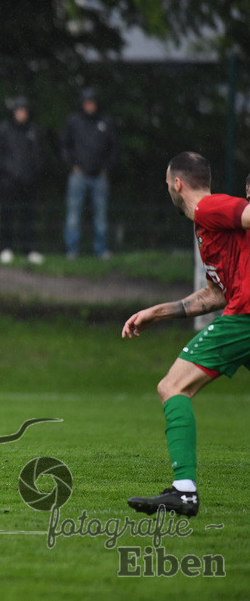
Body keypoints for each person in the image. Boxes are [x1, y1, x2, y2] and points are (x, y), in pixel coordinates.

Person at [121, 151, 250, 517]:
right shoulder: (207, 226)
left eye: (167, 184)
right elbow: (215, 295)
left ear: (177, 184)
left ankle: (183, 492)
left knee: (172, 387)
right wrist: (156, 313)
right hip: (238, 308)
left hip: (245, 317)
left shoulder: (211, 208)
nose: (168, 190)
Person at [60, 87, 120, 259]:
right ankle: (71, 251)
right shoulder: (74, 122)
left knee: (100, 216)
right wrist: (72, 165)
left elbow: (114, 148)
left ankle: (100, 250)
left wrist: (106, 169)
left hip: (99, 176)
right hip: (78, 175)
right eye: (86, 103)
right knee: (73, 215)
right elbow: (65, 145)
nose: (89, 106)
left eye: (92, 103)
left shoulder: (105, 122)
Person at [0, 95, 44, 264]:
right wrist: (8, 174)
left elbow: (38, 156)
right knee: (7, 216)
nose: (21, 114)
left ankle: (29, 250)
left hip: (28, 182)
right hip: (9, 182)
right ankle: (5, 249)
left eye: (24, 111)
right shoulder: (4, 130)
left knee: (28, 217)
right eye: (18, 110)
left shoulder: (33, 131)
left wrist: (32, 174)